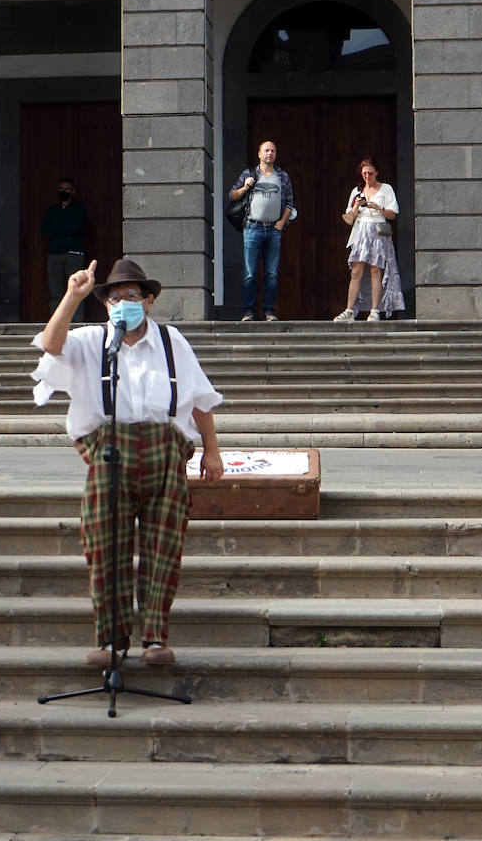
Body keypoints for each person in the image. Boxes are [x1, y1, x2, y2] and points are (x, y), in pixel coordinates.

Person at [31, 257, 224, 667]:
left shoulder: (173, 342)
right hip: (107, 451)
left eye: (132, 297)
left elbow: (200, 400)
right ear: (105, 306)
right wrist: (72, 295)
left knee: (163, 549)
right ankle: (112, 640)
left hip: (166, 452)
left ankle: (155, 639)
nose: (123, 304)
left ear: (149, 301)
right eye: (115, 298)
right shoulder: (88, 341)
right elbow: (50, 345)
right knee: (104, 547)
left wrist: (212, 449)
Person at [228, 139, 295, 322]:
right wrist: (246, 186)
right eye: (266, 151)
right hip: (252, 227)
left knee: (271, 274)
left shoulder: (282, 176)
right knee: (250, 273)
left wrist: (282, 222)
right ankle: (248, 312)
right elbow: (232, 195)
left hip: (273, 230)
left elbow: (290, 202)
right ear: (259, 154)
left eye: (272, 151)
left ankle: (269, 312)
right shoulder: (249, 173)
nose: (269, 154)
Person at [333, 157, 405, 322]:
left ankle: (374, 310)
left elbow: (392, 214)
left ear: (377, 172)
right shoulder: (357, 191)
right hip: (361, 231)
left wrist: (378, 207)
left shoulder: (386, 189)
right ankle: (350, 310)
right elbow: (348, 218)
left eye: (370, 173)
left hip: (378, 231)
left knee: (375, 270)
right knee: (356, 271)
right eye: (364, 173)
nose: (367, 176)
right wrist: (357, 207)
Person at [40, 178, 88, 321]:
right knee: (55, 292)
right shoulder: (53, 210)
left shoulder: (79, 209)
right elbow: (45, 230)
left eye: (67, 189)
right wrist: (64, 229)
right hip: (54, 255)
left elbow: (76, 227)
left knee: (76, 290)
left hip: (73, 255)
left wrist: (58, 229)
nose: (63, 191)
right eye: (61, 188)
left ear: (73, 191)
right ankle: (57, 322)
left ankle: (76, 322)